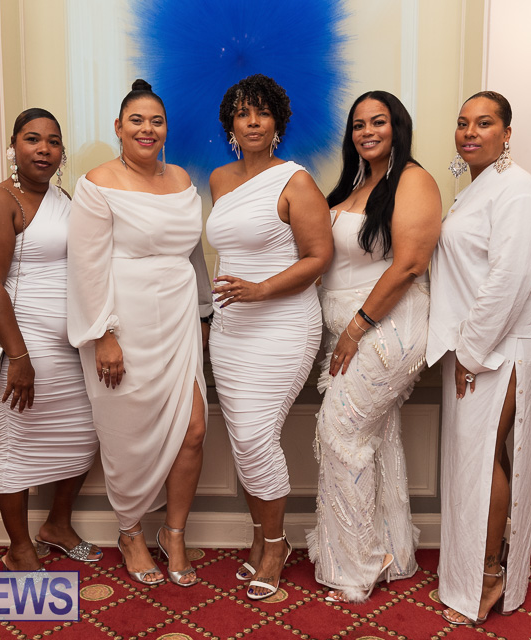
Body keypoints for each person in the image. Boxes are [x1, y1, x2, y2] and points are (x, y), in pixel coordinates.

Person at [67, 79, 212, 587]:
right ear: (118, 127)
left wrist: (204, 315)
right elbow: (86, 266)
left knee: (193, 428)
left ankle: (174, 533)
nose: (147, 129)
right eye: (136, 120)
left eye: (156, 121)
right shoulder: (97, 182)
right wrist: (103, 335)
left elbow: (194, 257)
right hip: (123, 324)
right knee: (126, 436)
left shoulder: (183, 179)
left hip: (178, 320)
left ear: (166, 129)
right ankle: (129, 531)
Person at [305, 91, 442, 603]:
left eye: (378, 122)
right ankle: (392, 552)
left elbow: (409, 265)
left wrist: (356, 327)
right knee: (373, 438)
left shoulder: (413, 180)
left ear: (397, 126)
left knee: (339, 433)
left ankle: (359, 563)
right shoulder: (356, 184)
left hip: (385, 332)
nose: (367, 131)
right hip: (354, 333)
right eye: (359, 124)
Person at [427, 91, 531, 625]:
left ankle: (488, 576)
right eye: (463, 123)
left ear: (507, 133)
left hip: (505, 346)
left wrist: (472, 352)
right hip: (480, 344)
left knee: (483, 459)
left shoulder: (519, 191)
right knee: (476, 458)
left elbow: (510, 278)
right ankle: (475, 571)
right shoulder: (475, 191)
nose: (470, 132)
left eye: (484, 123)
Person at [206, 73, 334, 601]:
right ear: (231, 125)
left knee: (258, 437)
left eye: (262, 112)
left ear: (278, 121)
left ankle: (277, 547)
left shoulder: (296, 181)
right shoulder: (218, 179)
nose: (253, 121)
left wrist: (260, 290)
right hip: (230, 329)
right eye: (243, 113)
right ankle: (260, 538)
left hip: (283, 325)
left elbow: (319, 257)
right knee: (243, 439)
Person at [0, 108, 101, 572]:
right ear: (13, 147)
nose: (43, 149)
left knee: (84, 436)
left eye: (53, 141)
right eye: (32, 139)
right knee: (15, 442)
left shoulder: (66, 199)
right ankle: (19, 546)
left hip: (65, 348)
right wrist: (18, 357)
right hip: (16, 343)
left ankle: (57, 525)